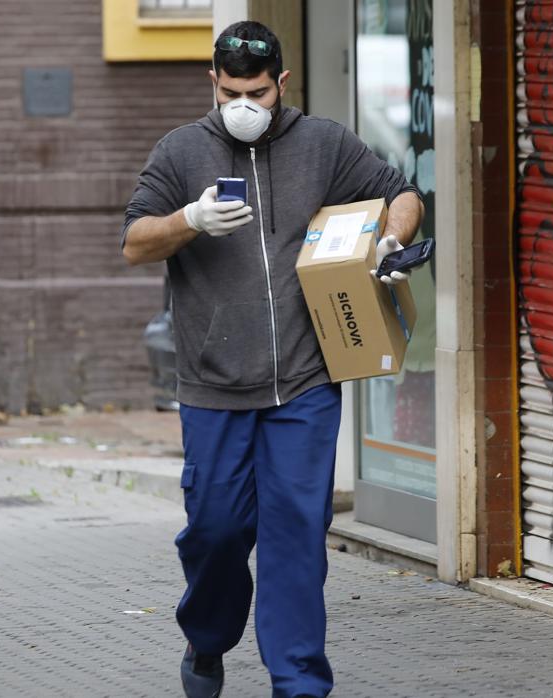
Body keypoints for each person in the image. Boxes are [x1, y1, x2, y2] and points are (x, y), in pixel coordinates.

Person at [121, 20, 423, 698]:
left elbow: (403, 195)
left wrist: (385, 239)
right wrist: (187, 222)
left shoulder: (322, 144)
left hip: (305, 385)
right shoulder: (179, 153)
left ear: (282, 84)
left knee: (296, 540)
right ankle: (207, 638)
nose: (244, 106)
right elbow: (135, 242)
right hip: (213, 386)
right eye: (231, 91)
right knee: (217, 531)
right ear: (212, 82)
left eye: (257, 92)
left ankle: (299, 684)